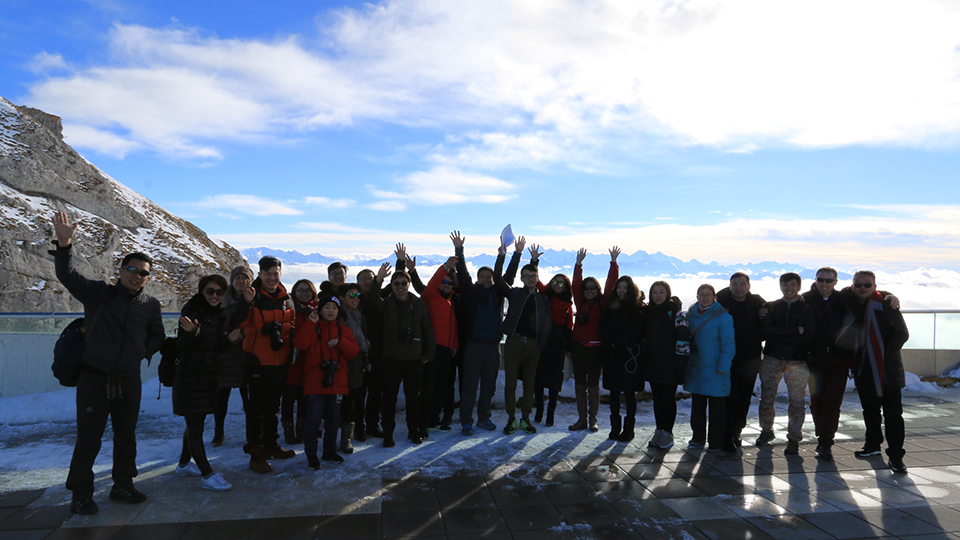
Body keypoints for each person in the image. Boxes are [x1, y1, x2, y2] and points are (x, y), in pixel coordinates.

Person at [50, 210, 166, 515]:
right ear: (121, 270)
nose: (137, 275)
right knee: (89, 439)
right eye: (132, 269)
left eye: (143, 273)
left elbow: (158, 335)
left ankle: (122, 485)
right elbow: (68, 276)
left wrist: (142, 351)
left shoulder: (150, 305)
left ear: (147, 278)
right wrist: (64, 245)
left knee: (126, 437)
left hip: (128, 378)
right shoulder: (99, 293)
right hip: (95, 377)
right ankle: (81, 494)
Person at [174, 275, 248, 492]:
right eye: (210, 291)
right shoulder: (192, 312)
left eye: (219, 292)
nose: (215, 296)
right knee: (195, 427)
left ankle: (184, 464)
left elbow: (214, 346)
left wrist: (229, 342)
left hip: (207, 376)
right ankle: (207, 474)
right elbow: (181, 347)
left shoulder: (215, 314)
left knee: (195, 422)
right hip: (191, 377)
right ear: (201, 291)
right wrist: (191, 333)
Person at [836, 271, 910, 473]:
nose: (863, 288)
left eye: (867, 285)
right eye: (859, 284)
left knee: (893, 415)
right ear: (853, 286)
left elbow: (902, 334)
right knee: (870, 411)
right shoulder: (848, 302)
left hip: (888, 370)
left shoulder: (886, 304)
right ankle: (872, 445)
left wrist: (882, 354)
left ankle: (896, 456)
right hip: (863, 368)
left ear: (874, 286)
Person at [455, 232, 521, 435]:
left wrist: (513, 254)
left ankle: (484, 418)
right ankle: (466, 421)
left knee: (489, 386)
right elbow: (462, 273)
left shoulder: (498, 292)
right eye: (482, 277)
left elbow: (508, 275)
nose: (486, 280)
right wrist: (459, 250)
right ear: (477, 278)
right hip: (473, 344)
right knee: (470, 386)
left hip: (493, 345)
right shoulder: (471, 292)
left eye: (489, 277)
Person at [237, 256, 296, 474]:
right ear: (260, 274)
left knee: (273, 409)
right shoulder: (252, 297)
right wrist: (245, 303)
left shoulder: (286, 299)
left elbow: (291, 325)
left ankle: (271, 445)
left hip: (279, 363)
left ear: (280, 274)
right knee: (255, 411)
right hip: (256, 363)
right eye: (268, 274)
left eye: (275, 273)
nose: (272, 278)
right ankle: (256, 453)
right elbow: (236, 323)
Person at [293, 294, 360, 469]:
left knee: (333, 420)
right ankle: (311, 454)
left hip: (337, 381)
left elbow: (354, 351)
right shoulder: (313, 327)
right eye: (327, 307)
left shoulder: (343, 330)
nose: (331, 311)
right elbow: (300, 343)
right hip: (316, 382)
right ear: (320, 310)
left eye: (334, 308)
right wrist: (310, 323)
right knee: (313, 420)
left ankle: (329, 451)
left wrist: (340, 342)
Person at [755, 273, 816, 455]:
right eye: (785, 285)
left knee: (797, 401)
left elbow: (809, 336)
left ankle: (794, 437)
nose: (789, 288)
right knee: (767, 397)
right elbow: (767, 331)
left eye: (793, 285)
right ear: (780, 286)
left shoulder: (807, 309)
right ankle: (766, 430)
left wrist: (780, 334)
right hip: (772, 358)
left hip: (797, 360)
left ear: (799, 287)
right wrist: (796, 331)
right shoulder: (771, 307)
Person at [379, 270, 435, 446]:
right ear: (391, 285)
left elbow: (427, 329)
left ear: (409, 284)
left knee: (413, 399)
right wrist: (378, 279)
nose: (400, 287)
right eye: (396, 283)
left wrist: (429, 353)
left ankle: (413, 431)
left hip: (413, 357)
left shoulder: (418, 304)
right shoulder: (385, 303)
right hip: (390, 357)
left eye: (404, 283)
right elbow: (371, 299)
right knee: (389, 398)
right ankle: (388, 433)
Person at [499, 256, 552, 435]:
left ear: (537, 278)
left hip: (532, 344)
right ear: (521, 278)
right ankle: (511, 418)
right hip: (514, 341)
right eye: (527, 276)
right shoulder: (515, 294)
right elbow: (498, 279)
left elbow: (546, 325)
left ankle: (525, 418)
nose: (530, 279)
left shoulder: (543, 299)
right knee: (510, 384)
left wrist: (539, 346)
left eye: (533, 276)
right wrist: (510, 255)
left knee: (530, 384)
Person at [569, 247, 620, 432]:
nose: (589, 291)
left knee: (593, 384)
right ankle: (582, 419)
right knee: (579, 384)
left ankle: (593, 420)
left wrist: (613, 263)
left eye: (592, 288)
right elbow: (575, 284)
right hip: (578, 347)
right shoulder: (580, 301)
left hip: (596, 349)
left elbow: (611, 285)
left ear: (597, 290)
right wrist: (578, 265)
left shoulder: (603, 302)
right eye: (586, 288)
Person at [716, 273, 766, 452]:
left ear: (749, 286)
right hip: (729, 358)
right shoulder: (720, 301)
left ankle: (736, 431)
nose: (739, 288)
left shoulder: (757, 302)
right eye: (735, 284)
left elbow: (772, 317)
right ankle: (725, 434)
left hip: (751, 358)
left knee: (744, 398)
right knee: (728, 397)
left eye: (742, 284)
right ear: (729, 285)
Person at [684, 284, 735, 452]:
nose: (705, 298)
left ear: (714, 297)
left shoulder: (723, 317)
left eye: (708, 294)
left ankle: (715, 441)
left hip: (715, 368)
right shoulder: (691, 316)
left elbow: (729, 345)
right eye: (702, 295)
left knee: (717, 408)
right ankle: (698, 437)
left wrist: (723, 367)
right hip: (697, 367)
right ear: (697, 297)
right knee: (697, 407)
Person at [338, 280, 384, 453]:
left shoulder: (359, 314)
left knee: (365, 393)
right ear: (341, 298)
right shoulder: (339, 316)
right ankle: (351, 434)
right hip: (347, 361)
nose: (355, 298)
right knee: (351, 398)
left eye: (357, 295)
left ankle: (367, 427)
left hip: (362, 359)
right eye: (351, 295)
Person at [641, 281, 687, 450]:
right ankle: (659, 430)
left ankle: (668, 432)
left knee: (668, 398)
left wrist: (680, 364)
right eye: (655, 292)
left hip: (671, 363)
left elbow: (683, 339)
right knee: (657, 399)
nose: (658, 295)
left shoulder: (676, 314)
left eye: (661, 292)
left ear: (668, 293)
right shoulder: (648, 313)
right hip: (653, 362)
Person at [213, 265, 255, 447]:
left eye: (245, 278)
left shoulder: (256, 300)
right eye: (237, 277)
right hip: (225, 356)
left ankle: (252, 434)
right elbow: (214, 323)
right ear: (232, 280)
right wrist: (226, 337)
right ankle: (218, 433)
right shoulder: (220, 298)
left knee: (248, 399)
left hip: (246, 355)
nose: (241, 281)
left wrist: (243, 337)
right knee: (221, 398)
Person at [419, 256, 460, 437]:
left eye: (449, 283)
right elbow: (431, 285)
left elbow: (453, 325)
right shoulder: (430, 298)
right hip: (432, 348)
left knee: (441, 387)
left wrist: (454, 344)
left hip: (446, 350)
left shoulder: (450, 301)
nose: (446, 285)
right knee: (428, 387)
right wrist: (444, 268)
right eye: (443, 282)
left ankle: (433, 420)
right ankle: (422, 423)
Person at [600, 275, 644, 442]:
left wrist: (616, 343)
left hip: (629, 356)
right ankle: (615, 428)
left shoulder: (636, 308)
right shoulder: (610, 306)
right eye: (619, 287)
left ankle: (628, 429)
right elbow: (602, 326)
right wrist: (607, 344)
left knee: (629, 393)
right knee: (614, 392)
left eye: (625, 288)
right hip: (612, 355)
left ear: (631, 290)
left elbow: (637, 331)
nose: (622, 291)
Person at [532, 259, 573, 429]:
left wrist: (568, 347)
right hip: (542, 341)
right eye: (555, 281)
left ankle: (550, 413)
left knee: (555, 382)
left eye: (561, 283)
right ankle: (540, 410)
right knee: (538, 379)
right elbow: (536, 280)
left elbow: (569, 327)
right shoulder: (545, 294)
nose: (557, 284)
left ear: (566, 287)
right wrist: (534, 261)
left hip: (557, 343)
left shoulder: (567, 305)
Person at [354, 263, 392, 439]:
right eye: (363, 279)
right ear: (357, 282)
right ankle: (358, 427)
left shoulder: (380, 297)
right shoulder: (354, 298)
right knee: (359, 393)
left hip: (378, 352)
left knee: (376, 392)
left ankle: (372, 425)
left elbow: (394, 285)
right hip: (359, 353)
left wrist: (400, 264)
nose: (367, 282)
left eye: (370, 279)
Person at [283, 279, 317, 445]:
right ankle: (288, 430)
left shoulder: (316, 311)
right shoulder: (288, 310)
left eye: (307, 290)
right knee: (288, 400)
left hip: (309, 362)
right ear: (294, 292)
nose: (304, 293)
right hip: (291, 361)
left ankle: (302, 428)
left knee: (305, 400)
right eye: (300, 290)